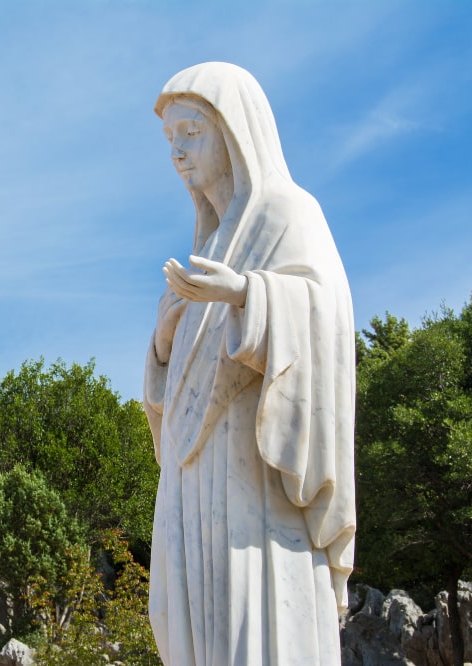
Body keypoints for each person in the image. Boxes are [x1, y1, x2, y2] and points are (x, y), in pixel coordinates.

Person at [143, 62, 356, 665]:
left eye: (192, 132)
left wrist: (247, 295)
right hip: (193, 479)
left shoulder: (289, 212)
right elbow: (169, 396)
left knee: (251, 622)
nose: (178, 153)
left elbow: (329, 315)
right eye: (170, 140)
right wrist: (161, 342)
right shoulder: (207, 245)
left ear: (234, 132)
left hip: (254, 476)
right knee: (188, 625)